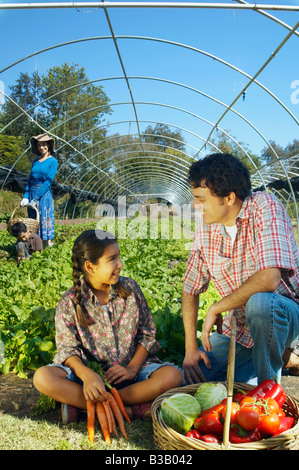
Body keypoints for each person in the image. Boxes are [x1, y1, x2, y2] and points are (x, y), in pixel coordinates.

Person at [33, 229, 182, 423]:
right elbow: (67, 349)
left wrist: (132, 369)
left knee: (172, 376)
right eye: (112, 259)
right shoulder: (70, 301)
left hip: (132, 376)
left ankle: (91, 406)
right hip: (90, 380)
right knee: (43, 377)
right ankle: (130, 410)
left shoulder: (130, 289)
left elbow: (147, 334)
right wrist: (87, 376)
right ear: (90, 266)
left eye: (118, 257)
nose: (120, 264)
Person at [182, 153, 299, 386]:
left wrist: (216, 307)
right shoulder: (206, 229)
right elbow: (190, 289)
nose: (195, 206)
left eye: (201, 199)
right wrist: (190, 349)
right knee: (188, 380)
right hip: (242, 328)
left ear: (229, 198)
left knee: (261, 304)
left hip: (286, 313)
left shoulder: (264, 207)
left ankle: (268, 393)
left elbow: (269, 278)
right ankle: (287, 359)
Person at [20, 133, 58, 248]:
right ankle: (35, 245)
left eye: (44, 145)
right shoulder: (35, 162)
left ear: (48, 146)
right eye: (39, 145)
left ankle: (46, 245)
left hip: (43, 195)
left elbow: (48, 181)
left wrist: (36, 198)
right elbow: (30, 180)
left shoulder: (53, 161)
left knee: (43, 219)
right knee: (33, 220)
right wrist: (26, 196)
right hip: (31, 193)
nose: (42, 147)